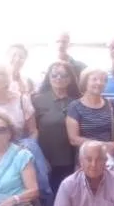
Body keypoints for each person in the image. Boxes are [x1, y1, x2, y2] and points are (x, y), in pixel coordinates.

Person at [33, 62, 80, 194]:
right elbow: (31, 130)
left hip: (72, 159)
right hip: (45, 159)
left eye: (64, 75)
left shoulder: (78, 101)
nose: (59, 78)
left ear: (70, 78)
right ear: (49, 77)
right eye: (54, 75)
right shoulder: (37, 100)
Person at [66, 67, 114, 167]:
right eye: (94, 79)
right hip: (86, 161)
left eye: (103, 80)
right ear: (85, 82)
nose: (99, 83)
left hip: (108, 160)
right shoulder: (75, 106)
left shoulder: (111, 104)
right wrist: (103, 145)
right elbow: (73, 139)